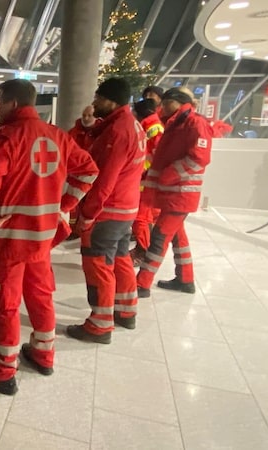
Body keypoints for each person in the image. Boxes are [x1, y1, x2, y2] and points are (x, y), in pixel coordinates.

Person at [0, 79, 99, 394]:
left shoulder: (6, 140)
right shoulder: (58, 136)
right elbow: (89, 171)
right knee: (40, 295)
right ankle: (43, 354)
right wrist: (62, 207)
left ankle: (2, 374)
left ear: (13, 103)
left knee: (4, 305)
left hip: (10, 243)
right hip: (42, 240)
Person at [66, 78, 146, 344]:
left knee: (99, 265)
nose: (94, 103)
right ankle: (126, 311)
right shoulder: (130, 125)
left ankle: (99, 325)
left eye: (98, 98)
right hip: (126, 208)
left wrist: (87, 215)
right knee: (121, 259)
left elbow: (103, 180)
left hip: (108, 211)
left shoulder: (117, 132)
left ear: (111, 101)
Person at [137, 88, 213, 298]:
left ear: (177, 102)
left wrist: (168, 175)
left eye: (166, 102)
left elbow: (199, 158)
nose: (162, 107)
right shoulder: (176, 122)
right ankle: (185, 279)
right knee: (178, 238)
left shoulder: (194, 123)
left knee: (159, 237)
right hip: (172, 193)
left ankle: (142, 284)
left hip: (180, 194)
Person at [130, 98, 164, 266]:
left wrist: (138, 170)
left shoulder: (152, 127)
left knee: (140, 218)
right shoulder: (151, 125)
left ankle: (143, 251)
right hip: (145, 178)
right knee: (144, 218)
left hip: (145, 180)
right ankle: (141, 248)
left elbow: (154, 157)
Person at [66, 105, 99, 238]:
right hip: (75, 173)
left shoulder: (101, 133)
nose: (85, 118)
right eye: (84, 115)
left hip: (93, 174)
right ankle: (73, 230)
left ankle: (85, 230)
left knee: (90, 205)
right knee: (73, 205)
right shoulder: (73, 132)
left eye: (89, 116)